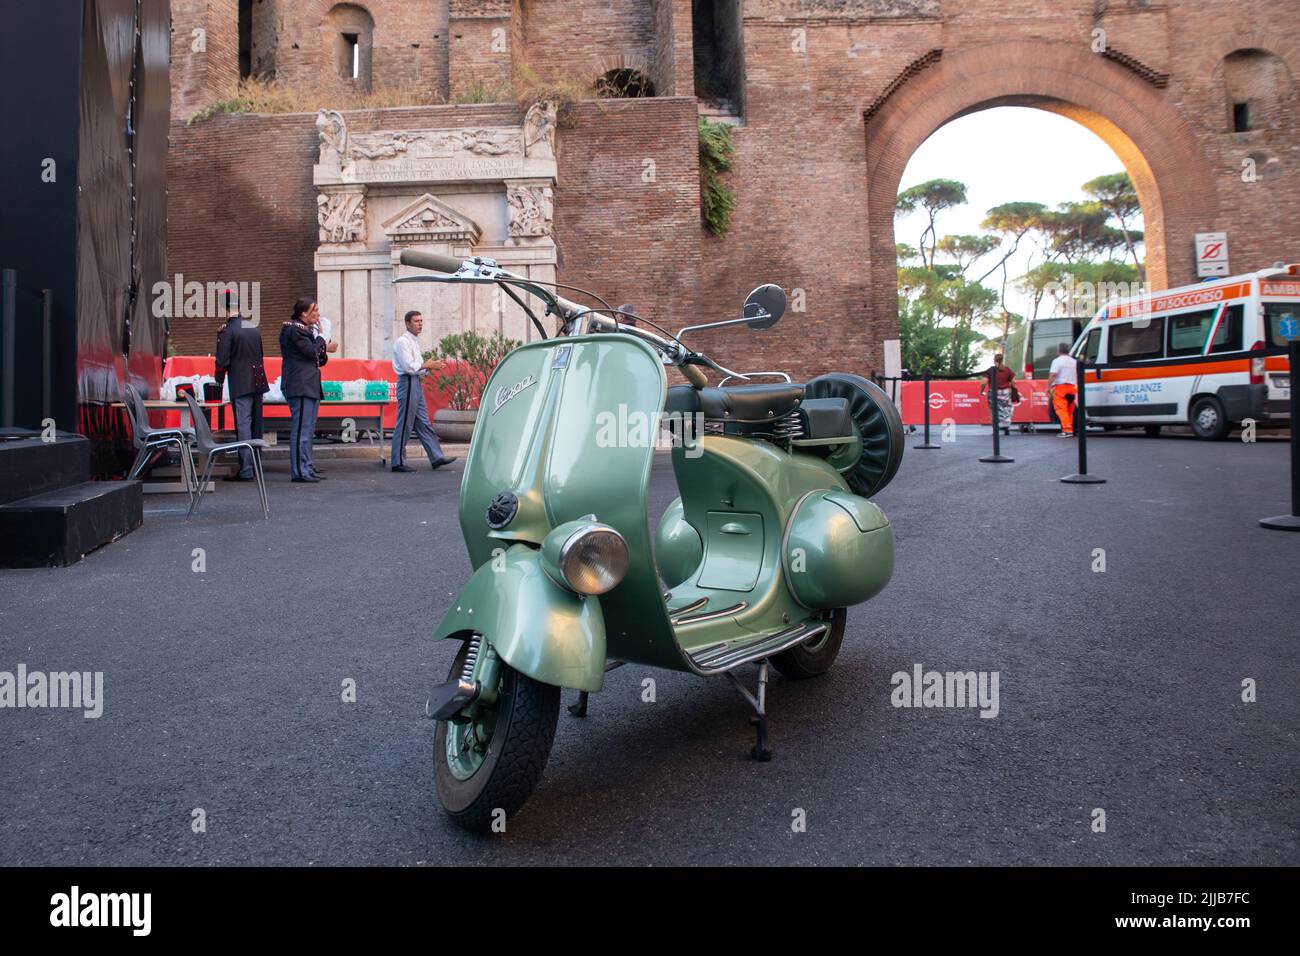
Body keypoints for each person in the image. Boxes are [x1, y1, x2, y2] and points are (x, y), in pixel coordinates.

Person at [213, 289, 268, 481]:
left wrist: (218, 380)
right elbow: (260, 355)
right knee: (256, 425)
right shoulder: (252, 326)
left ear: (224, 307)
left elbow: (222, 361)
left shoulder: (227, 330)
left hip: (240, 382)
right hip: (258, 380)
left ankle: (245, 470)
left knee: (243, 425)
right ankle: (256, 465)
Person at [391, 310, 456, 472]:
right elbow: (408, 366)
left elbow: (419, 367)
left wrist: (430, 366)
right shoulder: (403, 342)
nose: (420, 324)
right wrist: (427, 365)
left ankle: (436, 457)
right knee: (405, 423)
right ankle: (397, 462)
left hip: (415, 382)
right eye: (416, 321)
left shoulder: (413, 342)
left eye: (421, 321)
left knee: (423, 422)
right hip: (407, 382)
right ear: (407, 323)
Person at [280, 297, 329, 482]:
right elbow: (310, 352)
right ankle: (299, 471)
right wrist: (321, 339)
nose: (317, 314)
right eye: (314, 311)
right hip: (300, 385)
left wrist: (321, 343)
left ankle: (307, 466)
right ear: (303, 313)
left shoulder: (306, 331)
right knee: (301, 430)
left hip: (309, 384)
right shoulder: (293, 330)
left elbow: (319, 358)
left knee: (308, 430)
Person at [980, 352, 1016, 436]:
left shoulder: (991, 370)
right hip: (1005, 393)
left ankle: (995, 429)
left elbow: (984, 381)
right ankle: (1006, 427)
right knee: (1006, 410)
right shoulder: (1007, 369)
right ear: (1002, 359)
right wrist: (1012, 389)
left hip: (994, 392)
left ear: (994, 360)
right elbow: (1013, 381)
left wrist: (982, 391)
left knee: (994, 411)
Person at [1048, 342, 1078, 438]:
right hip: (1072, 388)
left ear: (1058, 350)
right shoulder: (1074, 361)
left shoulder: (1057, 361)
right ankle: (1070, 429)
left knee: (1062, 410)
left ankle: (1067, 431)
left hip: (1061, 388)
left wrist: (1049, 387)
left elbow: (1053, 375)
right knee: (1070, 410)